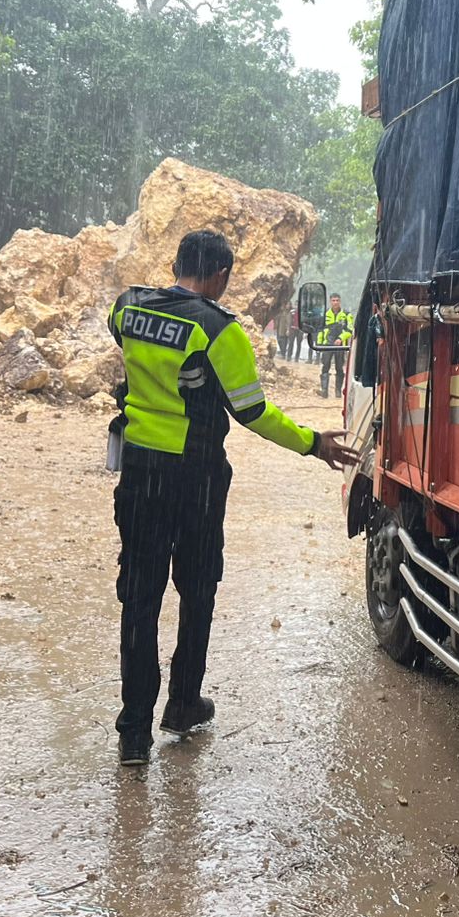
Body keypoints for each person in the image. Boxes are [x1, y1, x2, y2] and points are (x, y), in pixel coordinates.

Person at [109, 231, 357, 766]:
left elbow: (128, 351)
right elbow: (252, 412)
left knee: (139, 597)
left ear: (175, 262)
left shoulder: (126, 307)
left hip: (139, 473)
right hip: (194, 478)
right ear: (221, 276)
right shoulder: (219, 329)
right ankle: (181, 704)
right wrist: (313, 444)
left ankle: (133, 733)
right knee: (197, 591)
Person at [317, 292, 353, 398]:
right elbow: (320, 330)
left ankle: (338, 391)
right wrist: (319, 344)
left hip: (340, 346)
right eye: (333, 300)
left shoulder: (346, 314)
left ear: (340, 301)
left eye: (337, 300)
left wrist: (341, 339)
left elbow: (350, 330)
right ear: (330, 301)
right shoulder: (325, 314)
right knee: (325, 367)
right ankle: (324, 391)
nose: (335, 302)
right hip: (327, 344)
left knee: (339, 368)